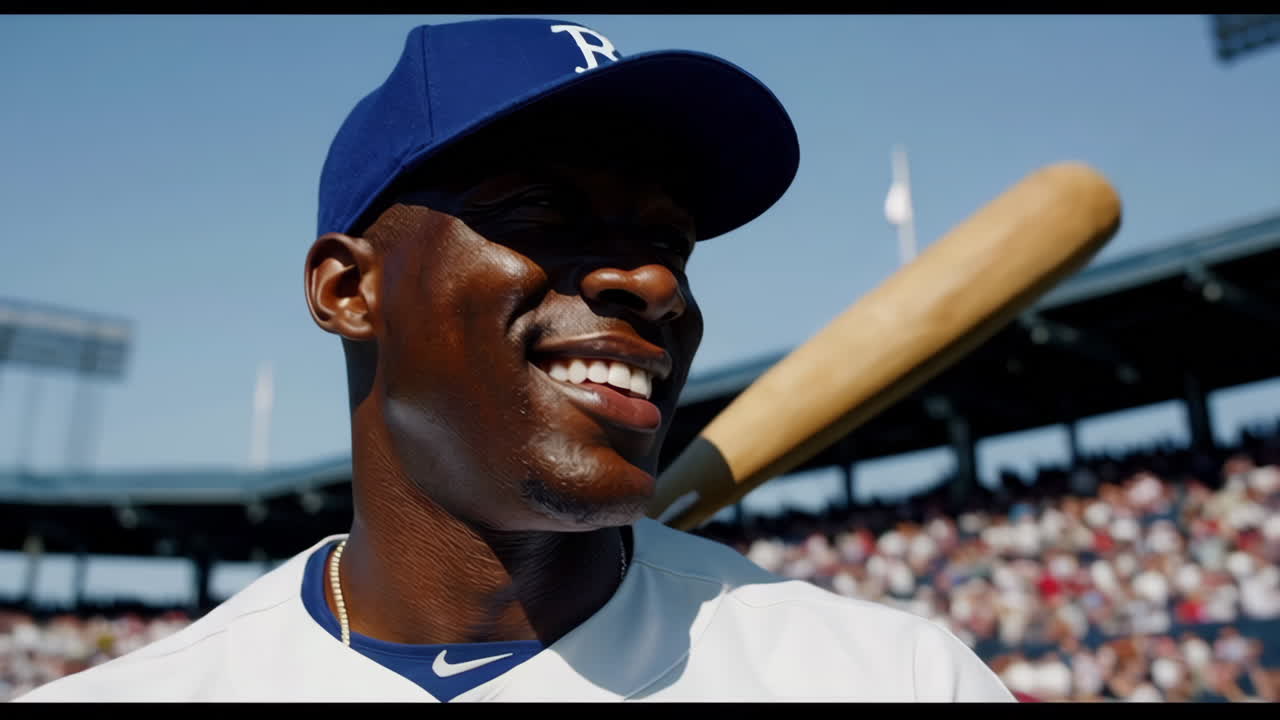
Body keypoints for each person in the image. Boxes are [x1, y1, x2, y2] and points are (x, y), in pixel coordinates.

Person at [15, 18, 1014, 702]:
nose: (653, 285)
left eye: (667, 246)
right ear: (347, 290)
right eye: (543, 216)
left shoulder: (883, 678)